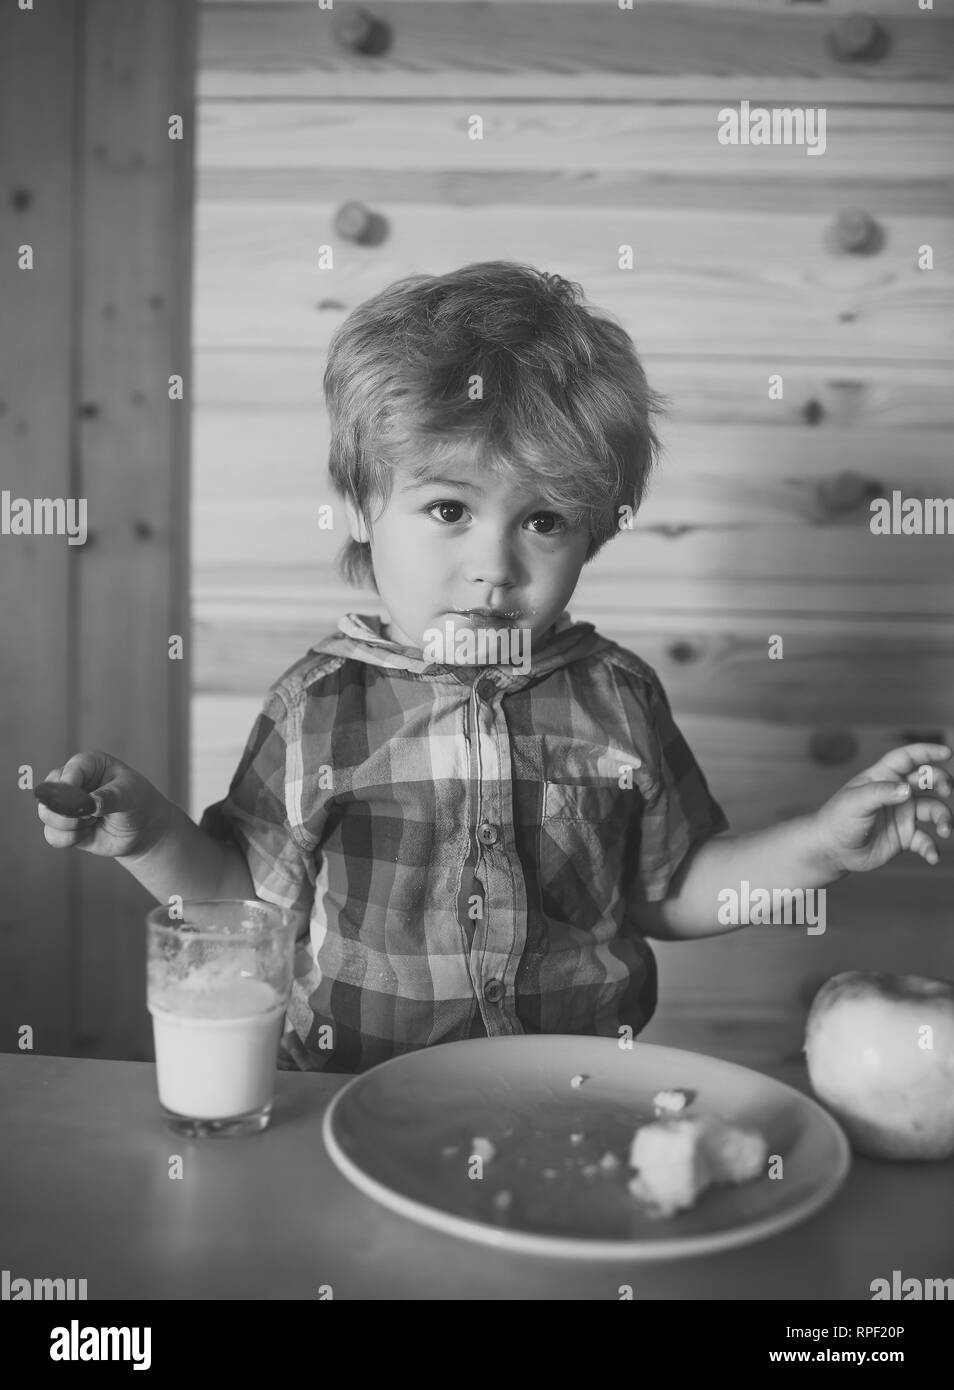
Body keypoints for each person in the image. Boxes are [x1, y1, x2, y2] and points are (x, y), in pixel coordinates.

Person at [37, 262, 952, 1074]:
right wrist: (151, 834)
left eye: (544, 520)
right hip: (350, 1100)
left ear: (593, 531)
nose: (494, 564)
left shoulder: (617, 697)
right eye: (448, 511)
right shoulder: (318, 706)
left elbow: (672, 893)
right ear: (361, 504)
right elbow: (249, 904)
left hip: (576, 1093)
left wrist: (823, 844)